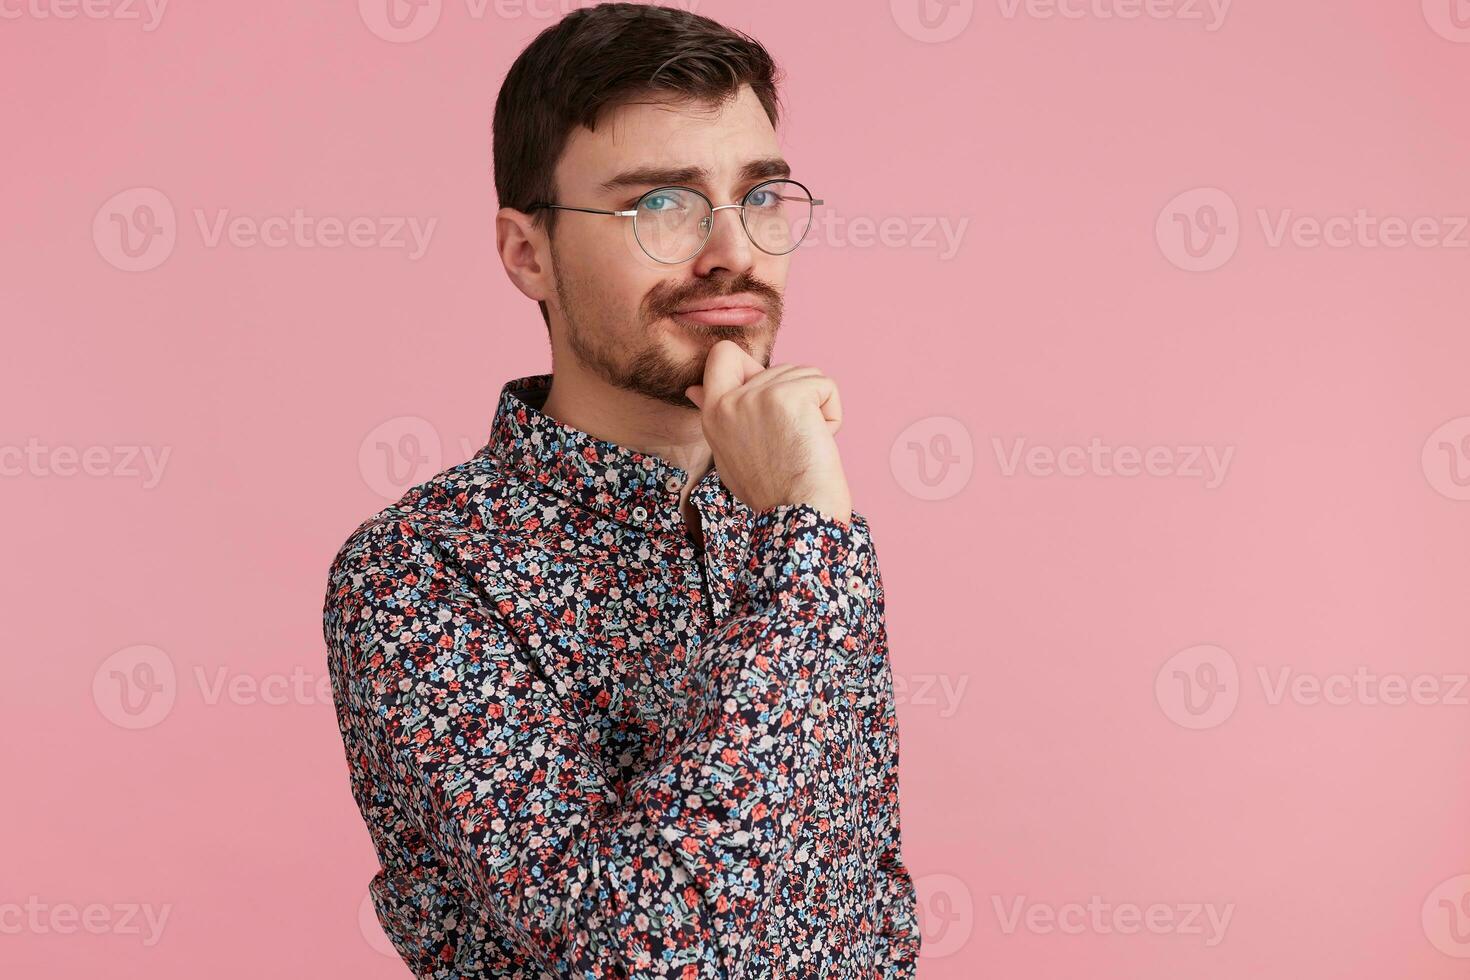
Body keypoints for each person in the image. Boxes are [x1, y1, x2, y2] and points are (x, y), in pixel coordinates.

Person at [322, 4, 920, 976]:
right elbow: (629, 956)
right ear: (528, 253)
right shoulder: (416, 572)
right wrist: (808, 544)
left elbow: (869, 901)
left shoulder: (792, 521)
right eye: (662, 205)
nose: (733, 249)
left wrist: (799, 532)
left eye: (761, 197)